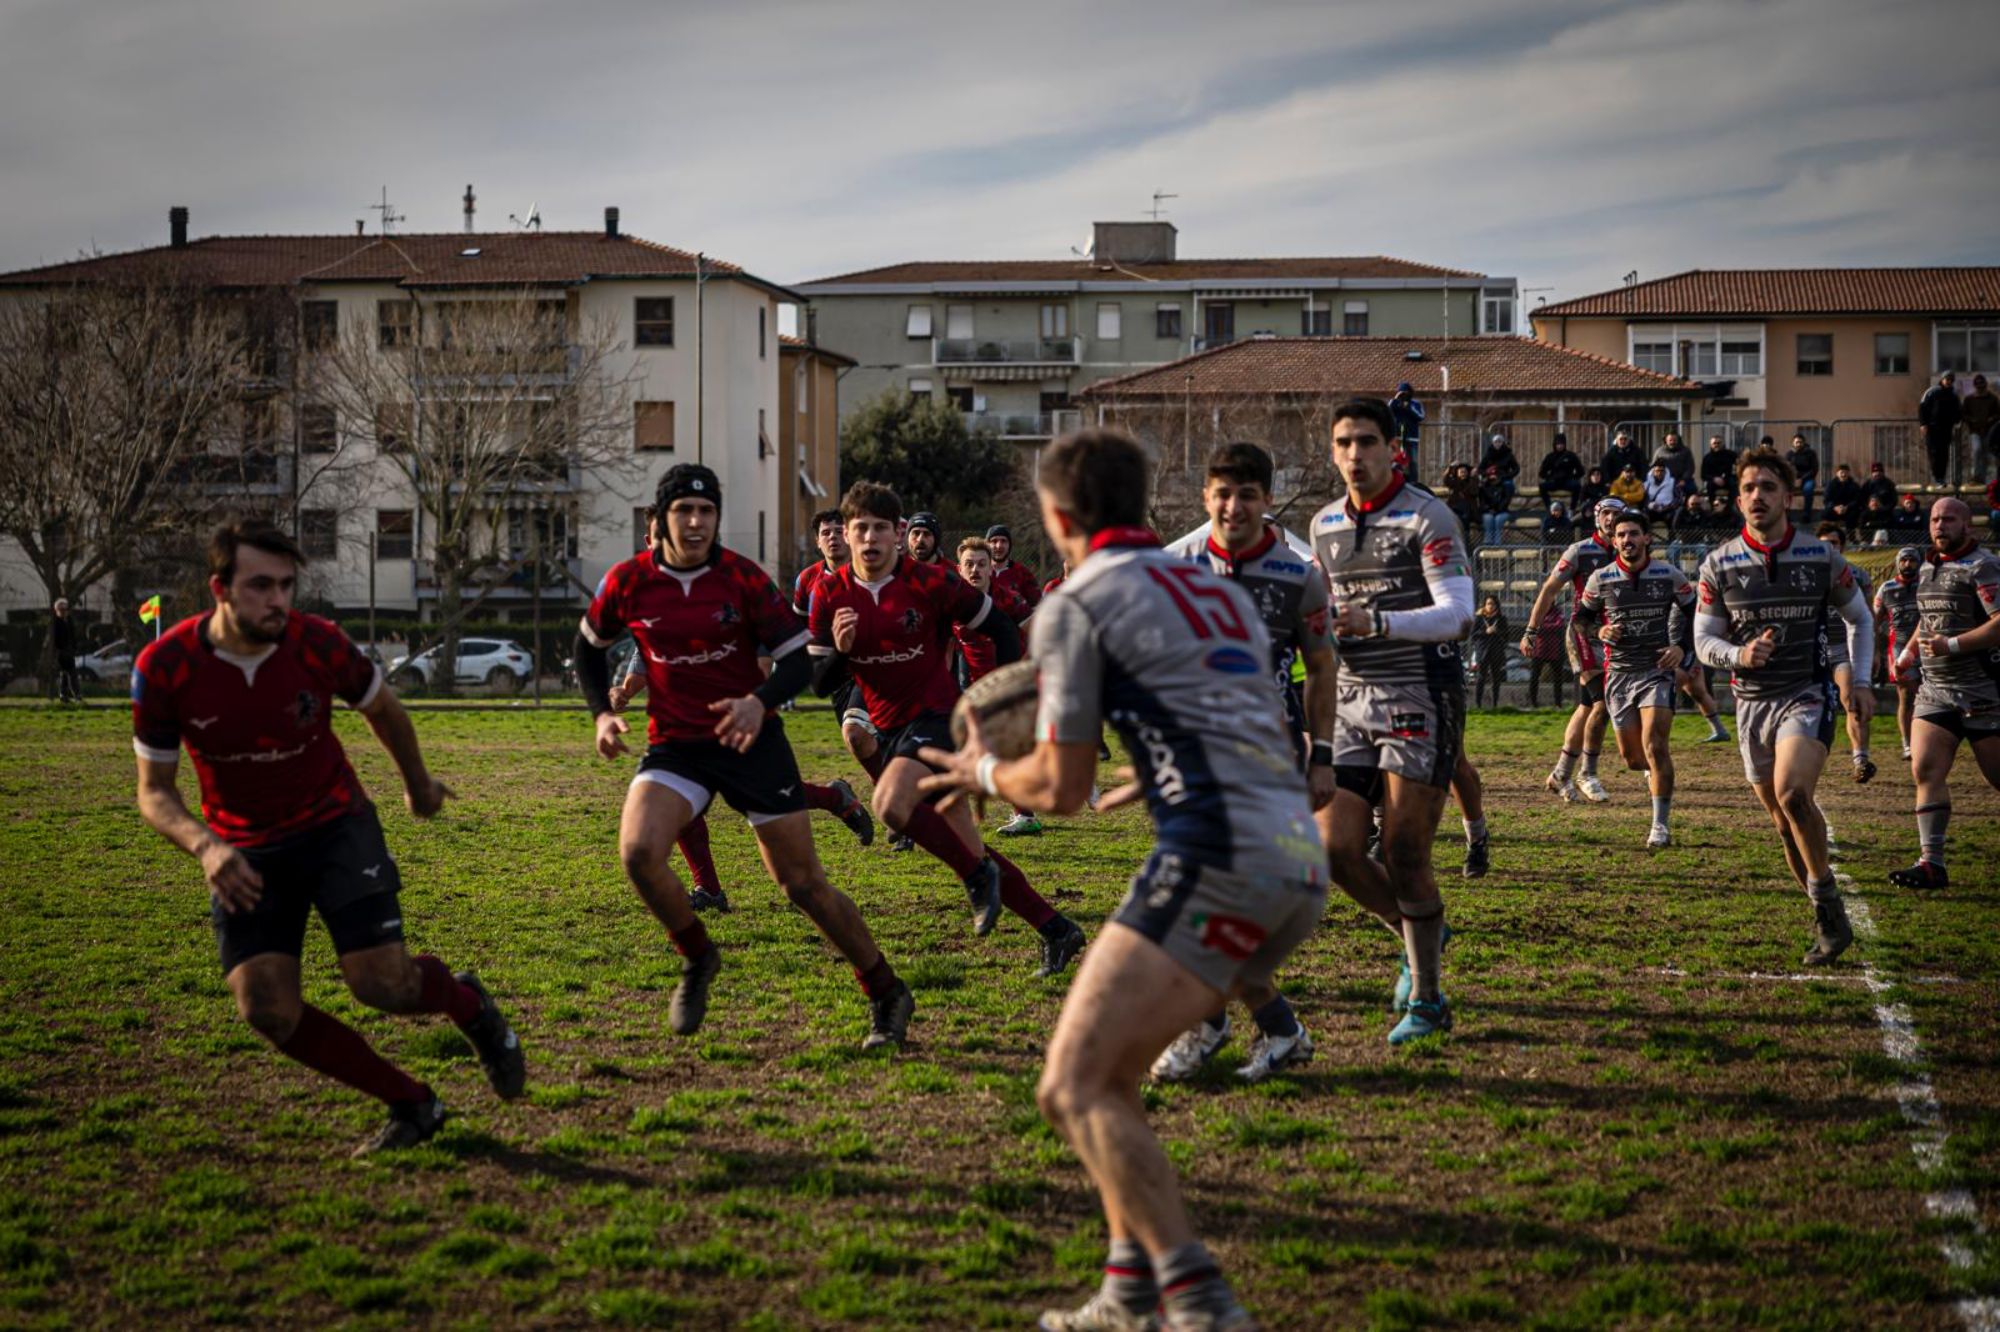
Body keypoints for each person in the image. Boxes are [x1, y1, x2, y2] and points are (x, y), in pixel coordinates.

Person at [919, 427, 1325, 1332]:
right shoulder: (1210, 586)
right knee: (1118, 1075)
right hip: (1297, 855)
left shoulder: (1076, 602)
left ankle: (1199, 1304)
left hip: (1219, 856)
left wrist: (977, 774)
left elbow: (1059, 791)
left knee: (1071, 1086)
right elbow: (1249, 710)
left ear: (1057, 514)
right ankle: (1128, 1289)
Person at [132, 521, 526, 1155]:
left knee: (384, 986)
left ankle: (469, 1007)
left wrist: (418, 783)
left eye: (287, 585)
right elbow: (154, 791)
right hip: (245, 851)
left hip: (334, 825)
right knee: (267, 1009)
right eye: (261, 585)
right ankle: (413, 1103)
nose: (278, 600)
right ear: (220, 589)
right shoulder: (167, 666)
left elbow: (383, 709)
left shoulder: (318, 644)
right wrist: (207, 846)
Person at [576, 466, 915, 1048]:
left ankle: (886, 989)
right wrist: (602, 714)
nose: (697, 522)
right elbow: (588, 644)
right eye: (684, 511)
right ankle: (699, 955)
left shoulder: (741, 578)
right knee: (637, 852)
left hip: (752, 745)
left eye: (707, 512)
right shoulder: (629, 581)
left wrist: (760, 704)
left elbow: (796, 663)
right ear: (659, 521)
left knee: (803, 886)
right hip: (677, 746)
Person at [810, 482, 1086, 975]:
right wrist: (841, 650)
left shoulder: (932, 582)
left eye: (880, 528)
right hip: (891, 727)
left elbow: (1001, 628)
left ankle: (980, 877)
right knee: (968, 846)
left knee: (891, 805)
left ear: (898, 534)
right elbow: (817, 682)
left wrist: (1003, 699)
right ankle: (1055, 928)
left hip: (938, 718)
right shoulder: (828, 593)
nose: (870, 538)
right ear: (845, 536)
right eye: (860, 529)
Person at [1151, 442, 1337, 1088]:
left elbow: (1319, 668)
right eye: (1222, 493)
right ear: (1205, 496)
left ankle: (1229, 1026)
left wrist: (1325, 757)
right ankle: (1264, 1029)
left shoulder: (1299, 574)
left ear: (1267, 498)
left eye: (1247, 494)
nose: (1234, 506)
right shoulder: (1175, 565)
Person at [1311, 398, 1473, 1044]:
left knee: (1406, 852)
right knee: (1333, 849)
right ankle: (1418, 939)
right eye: (1344, 442)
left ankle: (1429, 1001)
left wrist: (1379, 623)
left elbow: (1458, 613)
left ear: (1391, 449)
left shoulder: (1427, 517)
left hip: (1421, 694)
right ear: (1332, 451)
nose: (1356, 454)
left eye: (1368, 442)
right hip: (1350, 698)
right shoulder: (1322, 522)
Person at [1694, 449, 1873, 965]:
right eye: (1749, 488)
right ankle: (1826, 912)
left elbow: (1859, 618)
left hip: (1806, 693)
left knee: (1794, 795)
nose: (1757, 496)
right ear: (1737, 499)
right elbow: (1703, 639)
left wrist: (1860, 679)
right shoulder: (1719, 562)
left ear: (1788, 498)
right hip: (1749, 705)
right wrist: (1739, 654)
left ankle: (1826, 907)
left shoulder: (1820, 557)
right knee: (1782, 822)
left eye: (1768, 487)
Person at [1886, 498, 2000, 890]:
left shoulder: (1983, 566)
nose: (1940, 525)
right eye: (1935, 518)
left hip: (1983, 690)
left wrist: (1951, 645)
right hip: (1935, 690)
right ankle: (1931, 862)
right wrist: (1908, 652)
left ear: (1968, 525)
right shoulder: (1929, 564)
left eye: (1949, 518)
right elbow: (1927, 617)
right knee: (1925, 769)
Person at [1573, 511, 1695, 847]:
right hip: (1619, 676)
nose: (1627, 540)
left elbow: (1694, 611)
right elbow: (1580, 620)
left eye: (1634, 534)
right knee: (1633, 759)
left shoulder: (1668, 575)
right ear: (1614, 542)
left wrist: (1681, 648)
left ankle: (1660, 826)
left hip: (1656, 671)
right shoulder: (1601, 578)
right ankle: (1658, 776)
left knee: (1656, 746)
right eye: (1621, 535)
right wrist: (1599, 629)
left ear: (1646, 539)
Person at [1521, 498, 1626, 802]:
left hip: (1615, 637)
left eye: (1616, 514)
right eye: (1605, 513)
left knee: (1586, 707)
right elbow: (1549, 589)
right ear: (1597, 518)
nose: (1611, 519)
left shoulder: (1627, 550)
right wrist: (1531, 629)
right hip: (1584, 634)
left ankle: (1560, 773)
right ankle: (1587, 773)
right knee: (1602, 703)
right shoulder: (1580, 550)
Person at [953, 536, 1043, 838]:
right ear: (959, 568)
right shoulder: (952, 601)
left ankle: (1025, 812)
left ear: (992, 568)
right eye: (969, 565)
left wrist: (1019, 674)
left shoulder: (1007, 599)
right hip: (974, 689)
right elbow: (945, 645)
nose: (975, 570)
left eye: (981, 564)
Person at [796, 507, 886, 793]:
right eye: (826, 533)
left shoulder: (871, 570)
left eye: (838, 531)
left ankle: (899, 801)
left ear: (849, 535)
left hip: (875, 668)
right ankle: (892, 794)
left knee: (859, 733)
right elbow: (798, 629)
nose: (833, 538)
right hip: (835, 675)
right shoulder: (808, 581)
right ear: (817, 542)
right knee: (859, 742)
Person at [1815, 524, 1879, 783]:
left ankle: (1860, 759)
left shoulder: (1857, 575)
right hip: (1814, 649)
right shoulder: (1806, 572)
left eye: (1834, 542)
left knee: (1851, 700)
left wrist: (1872, 652)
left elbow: (1868, 618)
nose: (1830, 547)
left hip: (1843, 649)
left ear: (1842, 546)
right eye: (1824, 543)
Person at [1874, 545, 1926, 762]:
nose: (1908, 564)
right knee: (1906, 696)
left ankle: (1928, 741)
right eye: (1904, 560)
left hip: (1928, 647)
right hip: (1899, 649)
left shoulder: (1926, 584)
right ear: (1897, 563)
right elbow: (1874, 622)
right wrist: (1876, 651)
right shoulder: (1886, 589)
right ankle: (1908, 744)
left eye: (1912, 560)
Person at [985, 523, 1044, 616]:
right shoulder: (979, 572)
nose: (999, 545)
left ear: (1009, 545)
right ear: (987, 545)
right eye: (994, 541)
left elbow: (1038, 606)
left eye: (1003, 541)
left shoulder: (1023, 573)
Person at [1917, 371, 1962, 488]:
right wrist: (1923, 424)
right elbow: (1922, 407)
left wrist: (1957, 421)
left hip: (1946, 429)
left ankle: (1941, 478)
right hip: (1932, 429)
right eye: (1947, 379)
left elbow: (1958, 411)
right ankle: (1936, 478)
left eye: (1951, 380)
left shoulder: (1953, 395)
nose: (1949, 382)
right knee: (1934, 453)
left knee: (1944, 454)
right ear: (1942, 379)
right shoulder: (1932, 391)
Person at [1469, 594, 1509, 709]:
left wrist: (1497, 631)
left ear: (1497, 606)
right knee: (1481, 678)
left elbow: (1506, 636)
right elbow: (1473, 635)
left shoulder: (1501, 619)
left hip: (1496, 652)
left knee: (1496, 678)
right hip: (1483, 652)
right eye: (1488, 604)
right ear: (1485, 605)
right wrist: (1485, 631)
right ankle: (1478, 704)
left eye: (1493, 604)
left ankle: (1495, 703)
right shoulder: (1479, 618)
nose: (1490, 606)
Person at [1526, 602, 1567, 708]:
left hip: (1555, 649)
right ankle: (1533, 702)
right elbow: (1534, 626)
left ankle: (1558, 703)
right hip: (1539, 650)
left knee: (1558, 678)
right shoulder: (1537, 611)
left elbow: (1559, 626)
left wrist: (1543, 627)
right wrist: (1546, 627)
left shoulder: (1557, 612)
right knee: (1534, 676)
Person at [1964, 374, 1999, 484]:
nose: (1980, 388)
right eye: (1978, 386)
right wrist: (1972, 420)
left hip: (1989, 431)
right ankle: (1977, 476)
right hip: (1975, 431)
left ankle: (1986, 478)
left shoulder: (1992, 399)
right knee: (1977, 450)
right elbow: (1964, 414)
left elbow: (1998, 414)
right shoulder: (1969, 399)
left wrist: (1990, 420)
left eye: (1982, 385)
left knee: (1987, 454)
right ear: (1975, 386)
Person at [1538, 432, 1585, 509]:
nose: (1559, 446)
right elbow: (1542, 473)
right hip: (1554, 481)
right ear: (1554, 445)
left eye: (1561, 444)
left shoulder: (1571, 455)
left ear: (1565, 444)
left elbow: (1581, 471)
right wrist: (1550, 478)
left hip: (1567, 481)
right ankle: (1550, 508)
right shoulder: (1550, 457)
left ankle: (1572, 509)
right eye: (1558, 444)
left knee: (1577, 486)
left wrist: (1573, 477)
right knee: (1542, 487)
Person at [1390, 380, 1425, 481]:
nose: (1404, 395)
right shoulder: (1395, 403)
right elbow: (1387, 410)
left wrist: (1409, 408)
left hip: (1412, 437)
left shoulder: (1415, 404)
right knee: (1397, 460)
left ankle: (1413, 482)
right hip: (1398, 437)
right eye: (1402, 393)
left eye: (1406, 393)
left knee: (1412, 461)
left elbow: (1421, 416)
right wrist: (1396, 399)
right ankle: (1397, 479)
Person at [49, 597, 81, 703]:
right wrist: (57, 651)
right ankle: (72, 694)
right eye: (61, 610)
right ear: (57, 610)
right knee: (68, 673)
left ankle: (67, 695)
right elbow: (54, 639)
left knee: (68, 674)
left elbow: (73, 636)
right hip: (60, 651)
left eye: (65, 609)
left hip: (69, 650)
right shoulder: (55, 622)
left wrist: (74, 648)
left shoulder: (69, 620)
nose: (63, 612)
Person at [1476, 433, 1520, 505]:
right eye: (1496, 442)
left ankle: (1504, 506)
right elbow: (1480, 469)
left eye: (1500, 442)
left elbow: (1516, 468)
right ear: (1493, 443)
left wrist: (1507, 475)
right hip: (1491, 478)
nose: (1498, 444)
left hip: (1504, 477)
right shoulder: (1488, 454)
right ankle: (1486, 507)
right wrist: (1487, 474)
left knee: (1509, 486)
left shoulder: (1508, 454)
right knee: (1482, 487)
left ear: (1503, 443)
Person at [1785, 434, 1821, 522]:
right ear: (1793, 443)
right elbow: (1785, 468)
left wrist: (1802, 479)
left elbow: (1814, 469)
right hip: (1793, 479)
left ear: (1804, 443)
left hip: (1807, 478)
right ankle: (1786, 514)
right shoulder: (1789, 454)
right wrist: (1793, 479)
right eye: (1797, 442)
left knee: (1808, 490)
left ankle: (1806, 514)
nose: (1798, 444)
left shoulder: (1811, 453)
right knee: (1784, 490)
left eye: (1800, 442)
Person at [1823, 464, 1865, 535]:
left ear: (1848, 473)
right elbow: (1826, 500)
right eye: (1841, 472)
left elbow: (1857, 500)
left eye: (1845, 472)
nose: (1843, 474)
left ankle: (1851, 537)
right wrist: (1835, 507)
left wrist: (1847, 507)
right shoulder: (1831, 485)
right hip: (1835, 509)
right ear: (1837, 474)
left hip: (1849, 509)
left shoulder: (1854, 485)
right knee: (1825, 514)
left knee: (1855, 514)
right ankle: (1829, 534)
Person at [1478, 466, 1513, 546]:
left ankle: (1497, 544)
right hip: (1488, 511)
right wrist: (1488, 509)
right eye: (1490, 475)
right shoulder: (1484, 488)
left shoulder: (1505, 487)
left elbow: (1506, 501)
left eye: (1495, 474)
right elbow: (1482, 502)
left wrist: (1497, 509)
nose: (1493, 477)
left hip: (1502, 511)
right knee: (1488, 518)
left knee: (1498, 519)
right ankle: (1488, 542)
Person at [1700, 434, 1739, 501]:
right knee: (1709, 486)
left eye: (1719, 443)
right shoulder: (1707, 458)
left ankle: (1729, 508)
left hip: (1728, 479)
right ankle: (1712, 508)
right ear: (1711, 445)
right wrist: (1714, 478)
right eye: (1714, 443)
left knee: (1735, 486)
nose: (1716, 445)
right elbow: (1703, 475)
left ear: (1723, 444)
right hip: (1714, 481)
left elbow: (1739, 463)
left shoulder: (1731, 455)